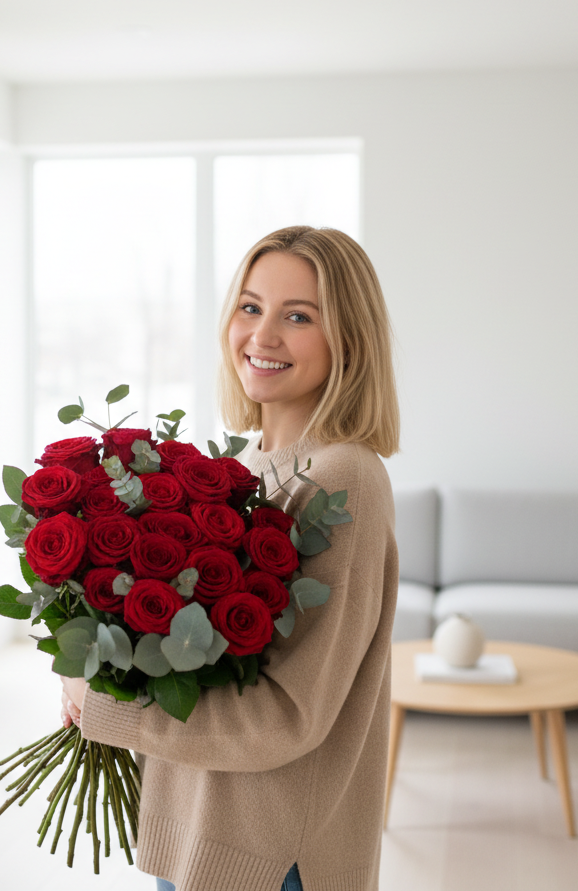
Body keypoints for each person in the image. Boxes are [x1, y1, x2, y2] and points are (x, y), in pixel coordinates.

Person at [61, 225, 400, 891]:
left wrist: (104, 706)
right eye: (251, 307)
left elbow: (286, 715)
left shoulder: (341, 478)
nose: (263, 334)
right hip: (203, 832)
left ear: (349, 341)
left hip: (275, 858)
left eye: (297, 316)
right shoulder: (242, 466)